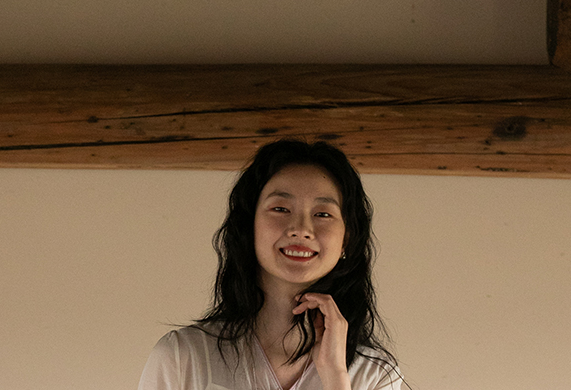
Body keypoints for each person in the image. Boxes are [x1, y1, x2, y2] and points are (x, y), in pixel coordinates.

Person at [139, 139, 404, 390]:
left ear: (347, 238)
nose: (301, 229)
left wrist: (336, 377)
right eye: (280, 209)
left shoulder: (376, 375)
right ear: (249, 226)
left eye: (323, 214)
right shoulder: (182, 357)